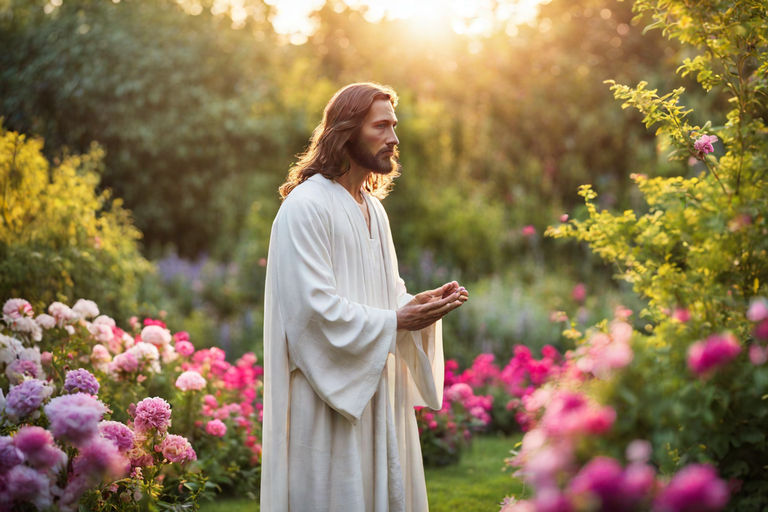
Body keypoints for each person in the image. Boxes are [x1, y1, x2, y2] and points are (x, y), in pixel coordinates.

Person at [260, 82, 469, 512]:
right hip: (328, 402)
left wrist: (416, 307)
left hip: (375, 391)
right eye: (382, 126)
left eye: (394, 126)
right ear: (347, 131)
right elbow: (312, 313)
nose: (394, 138)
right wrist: (396, 321)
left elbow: (386, 294)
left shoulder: (373, 208)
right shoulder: (306, 207)